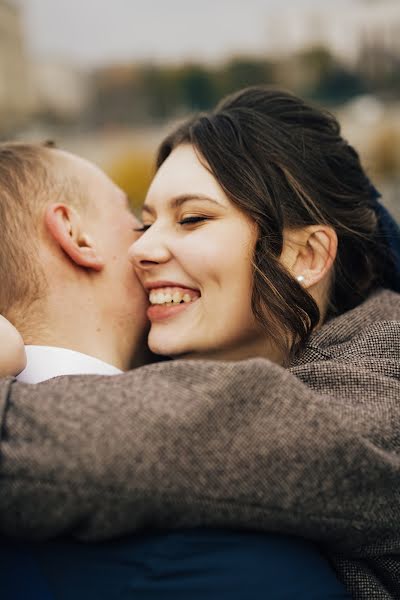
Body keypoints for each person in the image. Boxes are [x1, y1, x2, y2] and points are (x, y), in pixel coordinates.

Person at [1, 87, 400, 598]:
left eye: (192, 218)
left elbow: (205, 425)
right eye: (146, 221)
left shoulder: (382, 377)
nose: (141, 247)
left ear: (306, 256)